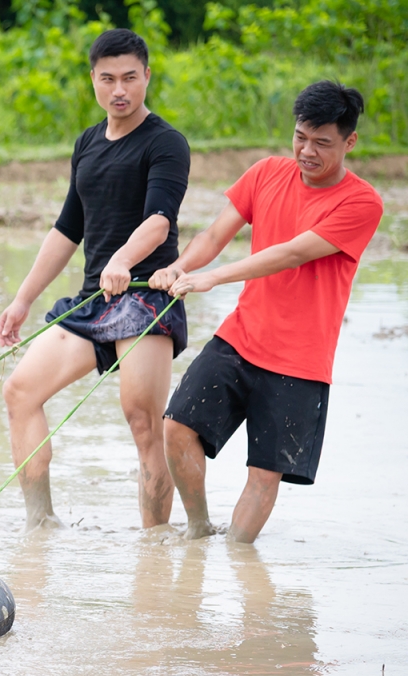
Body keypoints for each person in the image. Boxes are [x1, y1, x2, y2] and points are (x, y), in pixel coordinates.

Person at [152, 81, 384, 543]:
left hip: (301, 362)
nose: (307, 151)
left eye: (323, 143)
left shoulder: (362, 202)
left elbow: (292, 252)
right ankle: (198, 532)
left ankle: (238, 556)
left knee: (263, 474)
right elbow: (215, 235)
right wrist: (178, 266)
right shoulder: (265, 173)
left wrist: (214, 277)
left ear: (349, 142)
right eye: (301, 137)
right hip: (241, 337)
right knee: (176, 427)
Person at [0, 28, 190, 532]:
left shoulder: (166, 143)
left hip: (146, 298)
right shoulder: (87, 142)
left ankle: (155, 545)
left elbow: (160, 221)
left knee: (144, 423)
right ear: (93, 80)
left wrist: (123, 259)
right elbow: (67, 230)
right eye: (108, 79)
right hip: (93, 299)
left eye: (130, 77)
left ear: (147, 75)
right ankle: (41, 525)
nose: (119, 89)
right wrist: (21, 300)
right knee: (19, 391)